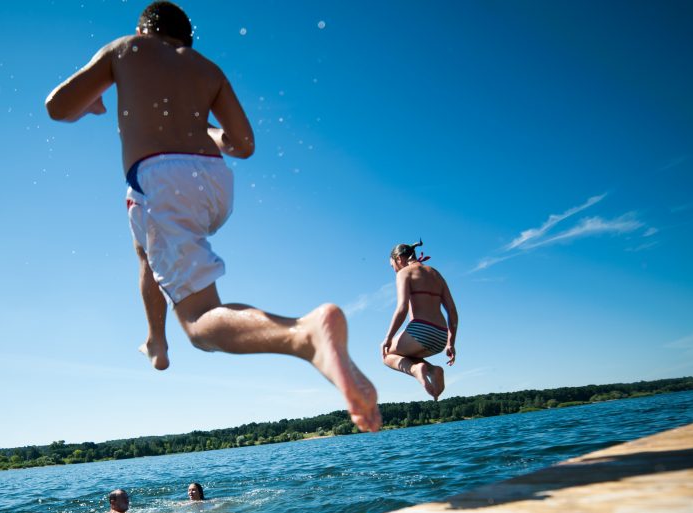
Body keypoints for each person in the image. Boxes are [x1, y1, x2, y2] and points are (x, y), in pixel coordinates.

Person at [45, 2, 381, 432]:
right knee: (146, 247)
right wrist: (201, 130)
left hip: (160, 177)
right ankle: (157, 342)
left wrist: (91, 102)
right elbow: (243, 144)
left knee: (201, 323)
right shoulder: (207, 68)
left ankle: (302, 334)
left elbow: (58, 106)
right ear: (186, 37)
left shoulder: (127, 48)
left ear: (144, 29)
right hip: (214, 183)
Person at [381, 240, 458, 400]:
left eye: (392, 265)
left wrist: (388, 338)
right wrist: (451, 343)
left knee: (387, 355)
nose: (394, 270)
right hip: (441, 337)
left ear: (399, 259)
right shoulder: (436, 274)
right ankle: (433, 370)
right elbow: (452, 311)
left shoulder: (405, 273)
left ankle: (417, 371)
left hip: (420, 330)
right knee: (408, 357)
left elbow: (402, 308)